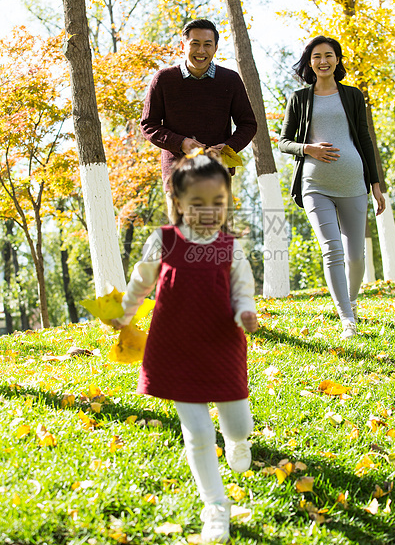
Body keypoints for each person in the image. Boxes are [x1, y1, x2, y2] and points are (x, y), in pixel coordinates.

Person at [112, 151, 258, 543]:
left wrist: (245, 312)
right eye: (197, 204)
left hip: (222, 347)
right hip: (175, 348)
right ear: (177, 203)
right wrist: (124, 316)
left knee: (238, 422)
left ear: (227, 202)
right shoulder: (164, 241)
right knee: (196, 433)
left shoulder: (230, 248)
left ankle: (238, 440)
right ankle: (215, 506)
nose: (209, 212)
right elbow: (140, 283)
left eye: (218, 203)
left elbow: (243, 290)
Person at [279, 36, 385, 338]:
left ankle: (350, 301)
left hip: (353, 182)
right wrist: (308, 148)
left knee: (356, 256)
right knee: (332, 249)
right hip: (315, 185)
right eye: (316, 56)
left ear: (337, 60)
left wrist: (375, 184)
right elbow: (284, 142)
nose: (323, 61)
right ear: (309, 62)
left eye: (328, 55)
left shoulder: (352, 95)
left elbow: (364, 139)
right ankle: (346, 318)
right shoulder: (299, 98)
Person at [140, 18, 257, 219]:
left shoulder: (230, 80)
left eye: (207, 45)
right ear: (183, 45)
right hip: (177, 176)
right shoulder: (164, 80)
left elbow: (248, 124)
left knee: (218, 244)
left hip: (217, 175)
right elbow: (148, 125)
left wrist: (228, 147)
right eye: (195, 44)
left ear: (216, 48)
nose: (201, 51)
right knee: (182, 242)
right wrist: (181, 143)